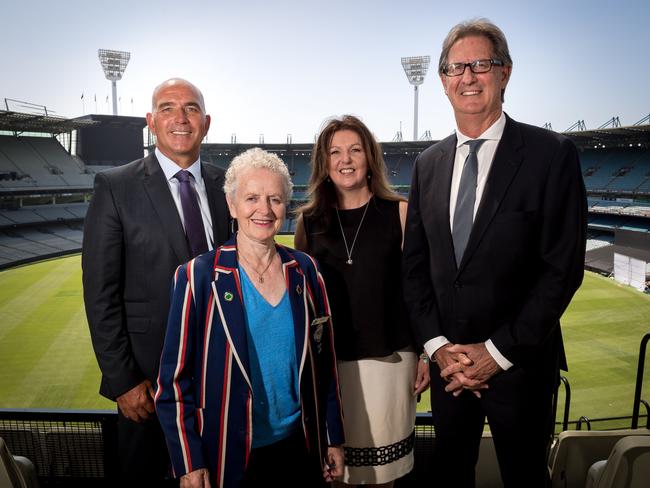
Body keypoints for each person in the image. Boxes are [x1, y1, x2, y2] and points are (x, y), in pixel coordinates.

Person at [402, 19, 587, 487]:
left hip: (520, 367)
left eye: (481, 64)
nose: (468, 76)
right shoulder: (428, 164)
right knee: (450, 477)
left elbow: (561, 270)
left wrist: (497, 352)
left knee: (526, 479)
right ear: (443, 80)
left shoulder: (551, 154)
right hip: (450, 370)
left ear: (505, 72)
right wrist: (439, 349)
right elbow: (416, 268)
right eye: (456, 67)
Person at [155, 147, 345, 488]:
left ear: (285, 206)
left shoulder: (305, 271)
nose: (264, 209)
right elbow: (172, 383)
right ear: (232, 205)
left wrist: (332, 435)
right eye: (252, 198)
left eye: (274, 198)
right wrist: (188, 461)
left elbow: (324, 365)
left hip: (299, 447)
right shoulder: (198, 277)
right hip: (227, 453)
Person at [82, 78, 230, 483]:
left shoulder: (228, 185)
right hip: (148, 386)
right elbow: (100, 293)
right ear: (151, 121)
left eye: (191, 108)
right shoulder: (115, 186)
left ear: (207, 122)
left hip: (222, 379)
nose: (180, 118)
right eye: (167, 108)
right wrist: (123, 380)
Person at [295, 115, 430, 487]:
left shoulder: (399, 212)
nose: (346, 159)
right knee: (337, 473)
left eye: (355, 149)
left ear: (370, 157)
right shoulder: (309, 221)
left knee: (382, 477)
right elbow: (303, 303)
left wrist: (425, 353)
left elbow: (418, 290)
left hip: (391, 361)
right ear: (324, 163)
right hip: (332, 368)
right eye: (335, 152)